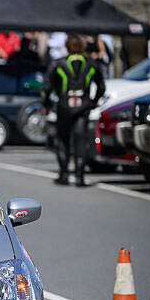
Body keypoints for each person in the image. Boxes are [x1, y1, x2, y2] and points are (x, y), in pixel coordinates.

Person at [41, 33, 105, 187]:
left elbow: (46, 88)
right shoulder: (92, 64)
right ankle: (79, 177)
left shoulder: (57, 64)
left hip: (63, 108)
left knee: (62, 140)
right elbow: (102, 87)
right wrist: (94, 101)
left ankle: (63, 174)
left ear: (67, 47)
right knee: (80, 141)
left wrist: (46, 104)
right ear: (83, 47)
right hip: (83, 108)